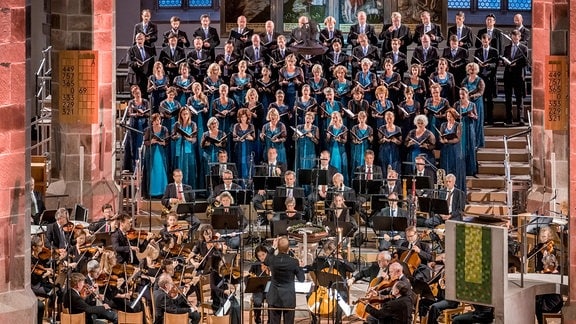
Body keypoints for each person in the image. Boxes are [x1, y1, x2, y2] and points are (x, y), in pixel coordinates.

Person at [308, 239, 354, 324]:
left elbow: (352, 268)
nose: (327, 254)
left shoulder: (341, 262)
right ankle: (314, 320)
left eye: (329, 252)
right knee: (310, 295)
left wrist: (342, 260)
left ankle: (338, 320)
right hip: (324, 287)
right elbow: (311, 268)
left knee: (341, 298)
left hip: (339, 288)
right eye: (326, 252)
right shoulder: (321, 260)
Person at [263, 236, 304, 324]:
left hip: (274, 297)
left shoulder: (272, 259)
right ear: (289, 248)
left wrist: (273, 248)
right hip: (288, 298)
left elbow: (265, 261)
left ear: (277, 247)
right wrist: (300, 267)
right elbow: (301, 279)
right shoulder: (294, 262)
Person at [503, 29, 529, 126]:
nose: (514, 38)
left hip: (518, 75)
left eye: (516, 36)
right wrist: (504, 62)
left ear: (519, 37)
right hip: (508, 75)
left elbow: (525, 62)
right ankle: (509, 118)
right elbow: (504, 57)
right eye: (513, 37)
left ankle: (521, 119)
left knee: (519, 97)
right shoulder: (507, 48)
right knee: (508, 98)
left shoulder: (523, 48)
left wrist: (516, 64)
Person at [439, 108, 466, 192]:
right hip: (445, 150)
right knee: (445, 167)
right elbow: (440, 136)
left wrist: (448, 141)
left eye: (450, 117)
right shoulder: (443, 125)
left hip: (455, 149)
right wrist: (442, 140)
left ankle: (457, 191)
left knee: (455, 168)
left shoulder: (458, 125)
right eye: (447, 116)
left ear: (454, 117)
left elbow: (458, 138)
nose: (449, 118)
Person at [474, 33, 499, 126]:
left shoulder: (494, 51)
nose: (484, 42)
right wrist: (479, 65)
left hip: (490, 78)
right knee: (481, 100)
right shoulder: (478, 51)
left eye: (486, 41)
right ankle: (482, 119)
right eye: (483, 41)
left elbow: (495, 64)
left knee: (490, 100)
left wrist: (488, 65)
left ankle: (490, 119)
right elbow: (475, 63)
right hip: (481, 78)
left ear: (489, 41)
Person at [142, 113, 169, 198]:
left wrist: (164, 143)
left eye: (158, 120)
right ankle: (152, 192)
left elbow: (167, 141)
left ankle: (163, 191)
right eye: (155, 120)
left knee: (161, 171)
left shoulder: (164, 129)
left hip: (161, 153)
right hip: (151, 153)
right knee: (152, 171)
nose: (157, 122)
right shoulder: (148, 130)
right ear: (152, 122)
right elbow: (145, 142)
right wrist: (151, 142)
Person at [172, 107, 198, 189]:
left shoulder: (193, 124)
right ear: (180, 115)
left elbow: (194, 139)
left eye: (186, 114)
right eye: (183, 114)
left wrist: (188, 139)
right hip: (180, 148)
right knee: (180, 167)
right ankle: (179, 189)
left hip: (189, 149)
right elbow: (172, 136)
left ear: (189, 114)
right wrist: (177, 136)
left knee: (189, 168)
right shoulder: (177, 124)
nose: (185, 115)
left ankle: (189, 189)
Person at [454, 87, 478, 176]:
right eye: (460, 94)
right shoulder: (457, 104)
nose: (461, 96)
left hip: (469, 127)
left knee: (470, 147)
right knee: (461, 148)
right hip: (460, 127)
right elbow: (453, 115)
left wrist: (472, 115)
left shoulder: (472, 105)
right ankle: (461, 169)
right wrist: (457, 116)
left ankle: (471, 170)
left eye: (463, 94)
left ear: (467, 94)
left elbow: (476, 117)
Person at [127, 32, 156, 98]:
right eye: (138, 39)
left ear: (144, 39)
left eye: (141, 39)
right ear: (135, 40)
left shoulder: (149, 49)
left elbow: (152, 62)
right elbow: (128, 62)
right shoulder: (131, 50)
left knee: (145, 97)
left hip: (145, 77)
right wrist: (136, 64)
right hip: (135, 77)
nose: (139, 41)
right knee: (135, 97)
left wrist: (151, 75)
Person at [248, 245, 271, 324]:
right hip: (258, 289)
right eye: (259, 256)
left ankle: (270, 320)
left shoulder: (272, 263)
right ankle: (257, 318)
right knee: (257, 302)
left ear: (267, 253)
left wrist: (269, 272)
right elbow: (250, 275)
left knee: (271, 301)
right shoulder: (256, 264)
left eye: (263, 255)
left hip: (269, 288)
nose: (262, 257)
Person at [326, 112, 349, 184]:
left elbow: (345, 140)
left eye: (336, 117)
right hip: (332, 149)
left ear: (339, 118)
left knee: (342, 167)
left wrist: (339, 140)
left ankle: (341, 183)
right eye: (333, 118)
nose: (335, 119)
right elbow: (327, 141)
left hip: (340, 150)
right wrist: (328, 137)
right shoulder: (330, 127)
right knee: (332, 166)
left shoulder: (343, 128)